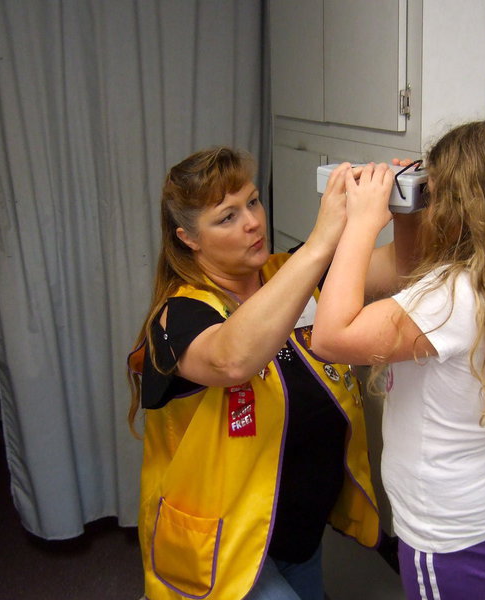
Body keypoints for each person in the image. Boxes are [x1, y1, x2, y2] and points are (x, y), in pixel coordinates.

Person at [311, 116, 485, 600]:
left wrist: (363, 222)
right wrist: (409, 218)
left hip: (451, 536)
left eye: (435, 193)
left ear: (463, 206)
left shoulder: (453, 298)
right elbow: (415, 285)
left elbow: (330, 336)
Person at [127, 147, 381, 600]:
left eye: (253, 202)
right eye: (226, 217)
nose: (252, 222)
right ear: (189, 238)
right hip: (226, 546)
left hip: (294, 534)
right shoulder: (177, 318)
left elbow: (400, 268)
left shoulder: (289, 272)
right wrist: (324, 240)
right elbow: (233, 359)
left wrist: (408, 202)